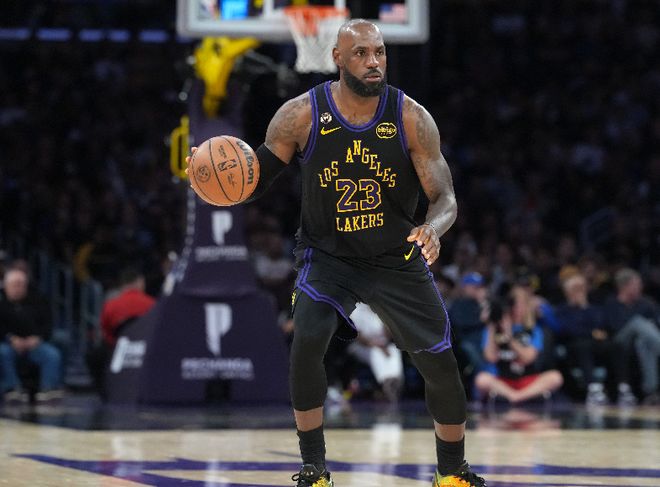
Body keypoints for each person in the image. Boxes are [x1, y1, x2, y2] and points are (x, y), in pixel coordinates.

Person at [188, 19, 485, 487]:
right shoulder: (299, 116)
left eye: (379, 52)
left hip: (395, 256)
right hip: (328, 257)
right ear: (338, 58)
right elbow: (253, 180)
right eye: (362, 53)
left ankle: (452, 472)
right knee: (307, 340)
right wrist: (212, 179)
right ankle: (314, 469)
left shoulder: (411, 117)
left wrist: (433, 227)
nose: (373, 61)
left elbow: (444, 196)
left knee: (440, 362)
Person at [555, 273, 626, 405]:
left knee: (616, 346)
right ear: (567, 291)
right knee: (582, 345)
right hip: (573, 346)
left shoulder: (593, 308)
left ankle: (623, 388)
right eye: (575, 288)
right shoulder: (562, 310)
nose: (579, 292)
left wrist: (584, 307)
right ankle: (593, 389)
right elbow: (567, 330)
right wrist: (590, 332)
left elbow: (601, 324)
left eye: (581, 288)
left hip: (595, 344)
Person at [474, 299, 563, 404]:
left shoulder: (533, 330)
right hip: (504, 381)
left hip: (528, 379)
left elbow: (528, 358)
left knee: (555, 377)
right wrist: (492, 327)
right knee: (481, 379)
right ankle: (512, 396)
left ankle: (518, 397)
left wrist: (509, 338)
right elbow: (490, 357)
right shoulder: (491, 331)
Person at [86, 267, 156, 398]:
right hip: (146, 351)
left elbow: (106, 332)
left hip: (118, 350)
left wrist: (119, 344)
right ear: (140, 282)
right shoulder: (152, 304)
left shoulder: (111, 305)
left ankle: (104, 394)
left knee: (94, 355)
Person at [0, 266, 63, 402]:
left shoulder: (38, 301)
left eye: (21, 285)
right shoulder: (1, 303)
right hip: (8, 344)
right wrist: (11, 338)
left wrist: (37, 338)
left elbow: (47, 325)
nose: (18, 288)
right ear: (6, 286)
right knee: (3, 352)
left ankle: (48, 388)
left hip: (34, 344)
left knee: (52, 354)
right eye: (15, 285)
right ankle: (12, 388)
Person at [603, 268, 660, 405]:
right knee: (637, 322)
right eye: (636, 284)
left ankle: (650, 391)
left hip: (642, 341)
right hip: (619, 341)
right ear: (624, 286)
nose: (640, 287)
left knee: (643, 343)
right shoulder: (612, 303)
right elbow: (613, 327)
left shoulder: (646, 303)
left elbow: (655, 324)